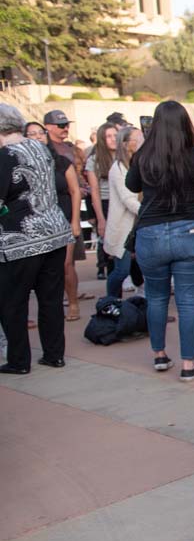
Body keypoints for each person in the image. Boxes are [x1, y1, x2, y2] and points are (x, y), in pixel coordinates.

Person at [126, 101, 194, 380]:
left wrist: (143, 147)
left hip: (151, 232)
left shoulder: (143, 157)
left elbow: (132, 186)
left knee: (156, 297)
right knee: (188, 301)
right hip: (191, 229)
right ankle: (189, 364)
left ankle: (159, 355)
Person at [0, 103, 74, 374]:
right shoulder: (41, 149)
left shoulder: (5, 155)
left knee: (12, 302)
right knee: (51, 298)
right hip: (54, 231)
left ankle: (19, 361)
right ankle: (54, 355)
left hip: (21, 237)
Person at [44, 110, 89, 320]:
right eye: (60, 125)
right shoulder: (42, 151)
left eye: (66, 124)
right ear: (49, 127)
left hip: (66, 210)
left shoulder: (69, 152)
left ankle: (73, 304)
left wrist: (75, 220)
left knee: (66, 263)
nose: (65, 128)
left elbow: (74, 187)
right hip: (44, 213)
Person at [102, 126, 142, 299]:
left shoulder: (139, 164)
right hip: (124, 229)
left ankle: (143, 305)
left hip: (138, 226)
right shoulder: (118, 169)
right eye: (137, 139)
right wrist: (150, 212)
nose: (142, 142)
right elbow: (128, 199)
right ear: (126, 144)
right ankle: (110, 301)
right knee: (121, 270)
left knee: (140, 270)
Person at [85, 122, 118, 280]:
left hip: (126, 202)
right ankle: (113, 296)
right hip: (106, 203)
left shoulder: (126, 156)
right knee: (110, 249)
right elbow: (95, 192)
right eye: (108, 136)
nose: (113, 139)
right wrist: (100, 219)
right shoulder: (94, 160)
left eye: (115, 135)